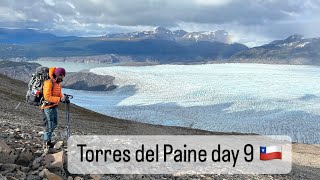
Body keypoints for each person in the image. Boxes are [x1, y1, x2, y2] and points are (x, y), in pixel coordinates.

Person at [41, 67, 70, 150]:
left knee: (54, 124)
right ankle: (46, 143)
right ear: (58, 75)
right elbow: (47, 97)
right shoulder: (49, 83)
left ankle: (48, 141)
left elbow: (59, 93)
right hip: (47, 107)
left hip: (53, 106)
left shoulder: (57, 83)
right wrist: (60, 99)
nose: (63, 78)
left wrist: (64, 98)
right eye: (62, 76)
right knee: (50, 125)